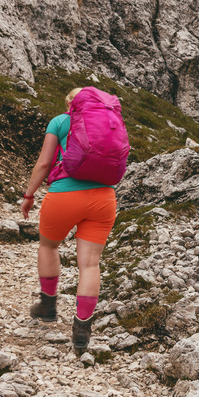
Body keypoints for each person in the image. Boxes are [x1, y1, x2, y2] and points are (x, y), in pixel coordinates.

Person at [20, 87, 118, 355]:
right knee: (90, 263)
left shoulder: (60, 121)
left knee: (49, 246)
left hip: (64, 195)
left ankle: (48, 306)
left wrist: (29, 195)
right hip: (104, 198)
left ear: (68, 103)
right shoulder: (111, 121)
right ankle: (82, 330)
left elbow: (43, 163)